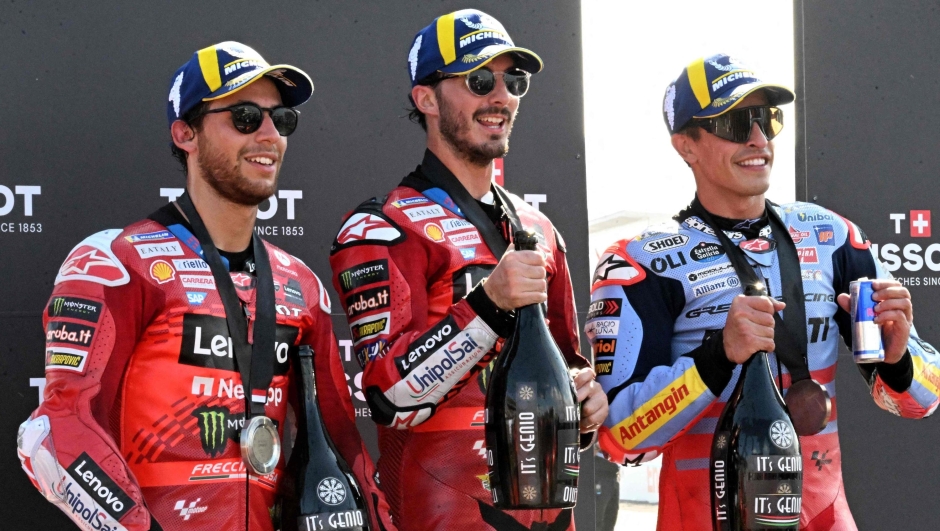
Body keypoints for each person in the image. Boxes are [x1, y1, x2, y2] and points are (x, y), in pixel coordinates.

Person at [16, 41, 393, 531]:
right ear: (185, 133)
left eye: (281, 121)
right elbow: (52, 434)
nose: (268, 135)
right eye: (244, 117)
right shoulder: (120, 262)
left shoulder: (301, 283)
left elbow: (346, 443)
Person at [589, 53, 940, 531]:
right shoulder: (642, 260)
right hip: (704, 516)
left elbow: (921, 398)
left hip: (822, 515)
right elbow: (620, 438)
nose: (758, 140)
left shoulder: (831, 236)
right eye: (735, 123)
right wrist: (717, 356)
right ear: (685, 145)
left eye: (766, 119)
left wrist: (898, 361)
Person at [328, 9, 608, 531]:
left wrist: (586, 403)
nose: (500, 96)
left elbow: (570, 366)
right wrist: (488, 304)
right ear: (427, 99)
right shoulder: (382, 227)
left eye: (513, 80)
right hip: (439, 513)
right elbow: (389, 398)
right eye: (480, 80)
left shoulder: (540, 229)